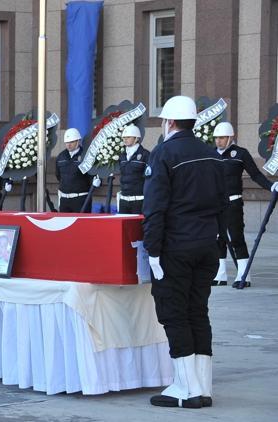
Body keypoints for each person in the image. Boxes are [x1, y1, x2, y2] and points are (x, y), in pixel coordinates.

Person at [143, 95, 228, 408]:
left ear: (169, 121)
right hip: (207, 245)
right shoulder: (211, 154)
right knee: (198, 312)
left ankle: (186, 390)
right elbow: (223, 203)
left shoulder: (164, 153)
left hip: (176, 248)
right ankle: (202, 387)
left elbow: (155, 207)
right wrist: (220, 246)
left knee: (174, 313)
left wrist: (152, 250)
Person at [212, 122, 278, 286]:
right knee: (218, 239)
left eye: (221, 138)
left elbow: (255, 175)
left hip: (233, 203)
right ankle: (220, 275)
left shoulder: (240, 153)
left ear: (230, 137)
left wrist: (271, 186)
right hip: (215, 204)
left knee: (236, 238)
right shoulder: (211, 154)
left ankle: (244, 275)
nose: (218, 141)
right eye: (216, 138)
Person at [56, 128, 95, 212]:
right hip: (64, 200)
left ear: (78, 141)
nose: (68, 145)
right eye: (67, 142)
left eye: (71, 142)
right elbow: (58, 175)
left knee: (82, 224)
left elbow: (91, 176)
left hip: (81, 199)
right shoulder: (61, 156)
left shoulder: (85, 155)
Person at [117, 125, 149, 214]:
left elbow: (149, 177)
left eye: (128, 137)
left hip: (139, 201)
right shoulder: (122, 155)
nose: (125, 139)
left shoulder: (145, 154)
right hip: (123, 200)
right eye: (124, 137)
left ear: (136, 138)